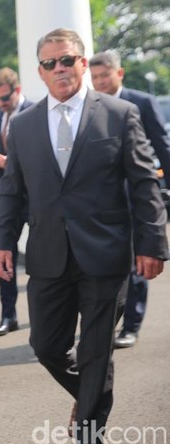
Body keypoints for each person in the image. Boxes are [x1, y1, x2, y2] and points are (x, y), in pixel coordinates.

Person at [0, 29, 168, 444]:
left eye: (67, 60)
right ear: (40, 72)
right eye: (50, 63)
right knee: (46, 346)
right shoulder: (24, 126)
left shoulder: (119, 113)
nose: (60, 69)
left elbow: (145, 184)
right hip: (49, 255)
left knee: (95, 352)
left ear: (83, 63)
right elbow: (12, 190)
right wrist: (2, 241)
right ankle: (89, 395)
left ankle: (90, 435)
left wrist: (153, 244)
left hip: (106, 255)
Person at [89, 50, 170, 349]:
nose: (99, 82)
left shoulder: (142, 102)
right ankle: (108, 323)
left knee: (138, 260)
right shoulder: (92, 105)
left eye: (104, 76)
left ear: (118, 73)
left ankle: (131, 325)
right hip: (105, 198)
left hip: (136, 194)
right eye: (94, 77)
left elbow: (161, 145)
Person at [0, 68, 33, 337]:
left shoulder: (36, 112)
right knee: (3, 255)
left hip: (36, 197)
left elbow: (42, 157)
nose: (0, 104)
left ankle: (44, 314)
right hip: (6, 198)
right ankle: (8, 315)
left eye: (4, 98)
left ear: (17, 90)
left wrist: (9, 162)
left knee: (44, 257)